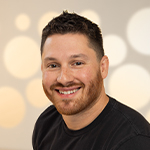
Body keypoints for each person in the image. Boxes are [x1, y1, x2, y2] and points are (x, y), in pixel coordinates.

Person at [32, 11, 150, 150]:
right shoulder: (47, 123)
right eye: (53, 65)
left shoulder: (131, 141)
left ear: (103, 67)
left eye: (77, 63)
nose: (64, 78)